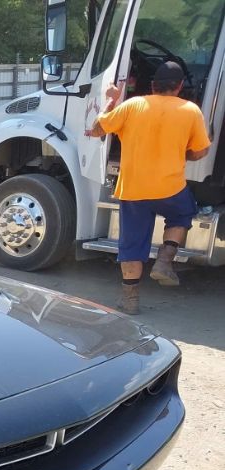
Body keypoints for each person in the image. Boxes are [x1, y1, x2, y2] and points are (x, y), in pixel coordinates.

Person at [85, 61, 210, 314]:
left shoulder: (132, 105)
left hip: (133, 189)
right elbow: (201, 151)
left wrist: (112, 100)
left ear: (152, 85)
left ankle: (130, 300)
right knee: (183, 213)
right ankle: (165, 260)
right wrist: (179, 154)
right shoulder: (190, 110)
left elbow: (97, 130)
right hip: (170, 188)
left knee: (131, 245)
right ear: (179, 87)